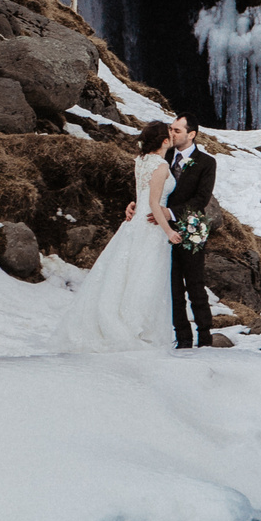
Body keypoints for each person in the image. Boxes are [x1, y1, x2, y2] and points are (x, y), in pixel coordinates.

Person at [55, 121, 179, 352]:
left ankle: (126, 320)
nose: (173, 136)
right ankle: (137, 326)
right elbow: (154, 203)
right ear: (164, 141)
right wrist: (169, 231)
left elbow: (141, 196)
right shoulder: (160, 165)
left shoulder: (141, 161)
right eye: (170, 133)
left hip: (135, 223)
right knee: (146, 273)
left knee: (126, 272)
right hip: (151, 225)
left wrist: (134, 206)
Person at [163, 116, 218, 348]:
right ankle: (182, 337)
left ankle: (204, 335)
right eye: (170, 130)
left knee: (194, 283)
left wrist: (171, 213)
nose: (171, 134)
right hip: (162, 230)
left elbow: (201, 199)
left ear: (191, 134)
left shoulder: (206, 162)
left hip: (191, 228)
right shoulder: (163, 157)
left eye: (176, 130)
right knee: (173, 285)